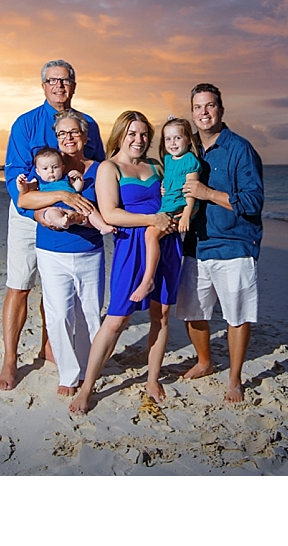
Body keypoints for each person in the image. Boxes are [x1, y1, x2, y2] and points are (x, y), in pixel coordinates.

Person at [0, 60, 105, 391]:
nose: (59, 86)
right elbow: (15, 181)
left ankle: (50, 347)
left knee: (57, 292)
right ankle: (11, 361)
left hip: (74, 214)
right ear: (43, 86)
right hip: (31, 213)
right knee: (19, 285)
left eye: (66, 80)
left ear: (74, 85)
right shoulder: (25, 124)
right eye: (52, 80)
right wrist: (41, 213)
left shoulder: (88, 123)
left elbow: (99, 168)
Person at [69, 111, 180, 415]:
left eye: (144, 134)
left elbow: (174, 196)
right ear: (120, 135)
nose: (139, 140)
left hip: (166, 242)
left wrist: (173, 214)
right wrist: (151, 218)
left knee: (163, 313)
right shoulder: (110, 167)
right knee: (117, 318)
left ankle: (153, 379)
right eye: (132, 133)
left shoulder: (157, 165)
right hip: (132, 248)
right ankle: (88, 388)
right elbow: (110, 213)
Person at [175, 83, 263, 403]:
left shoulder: (240, 149)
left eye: (210, 106)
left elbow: (253, 202)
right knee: (192, 311)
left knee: (236, 315)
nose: (204, 112)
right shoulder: (187, 150)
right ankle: (204, 361)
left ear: (221, 110)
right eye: (198, 107)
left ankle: (235, 379)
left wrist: (208, 194)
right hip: (196, 244)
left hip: (234, 245)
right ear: (192, 112)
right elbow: (176, 187)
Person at [18, 111, 105, 396]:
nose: (68, 138)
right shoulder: (47, 165)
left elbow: (110, 207)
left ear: (85, 136)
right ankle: (68, 374)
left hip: (89, 251)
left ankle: (90, 367)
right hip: (51, 251)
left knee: (90, 313)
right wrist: (61, 197)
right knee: (58, 315)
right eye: (62, 134)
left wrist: (81, 216)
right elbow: (25, 198)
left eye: (74, 132)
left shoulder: (100, 169)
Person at [129, 117, 201, 302]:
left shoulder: (190, 160)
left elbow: (191, 190)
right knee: (151, 236)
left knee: (150, 235)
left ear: (188, 139)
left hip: (180, 207)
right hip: (168, 205)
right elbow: (170, 180)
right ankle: (150, 278)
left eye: (178, 138)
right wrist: (163, 187)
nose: (173, 143)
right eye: (168, 139)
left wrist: (186, 215)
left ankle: (148, 280)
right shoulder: (168, 160)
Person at [17, 147, 114, 234]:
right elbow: (26, 190)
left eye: (55, 167)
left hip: (75, 205)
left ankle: (102, 226)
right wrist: (21, 184)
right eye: (45, 168)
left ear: (62, 168)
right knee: (51, 214)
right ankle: (61, 222)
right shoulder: (39, 181)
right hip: (55, 206)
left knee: (89, 210)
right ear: (38, 171)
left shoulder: (66, 178)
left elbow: (77, 188)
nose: (51, 171)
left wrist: (79, 178)